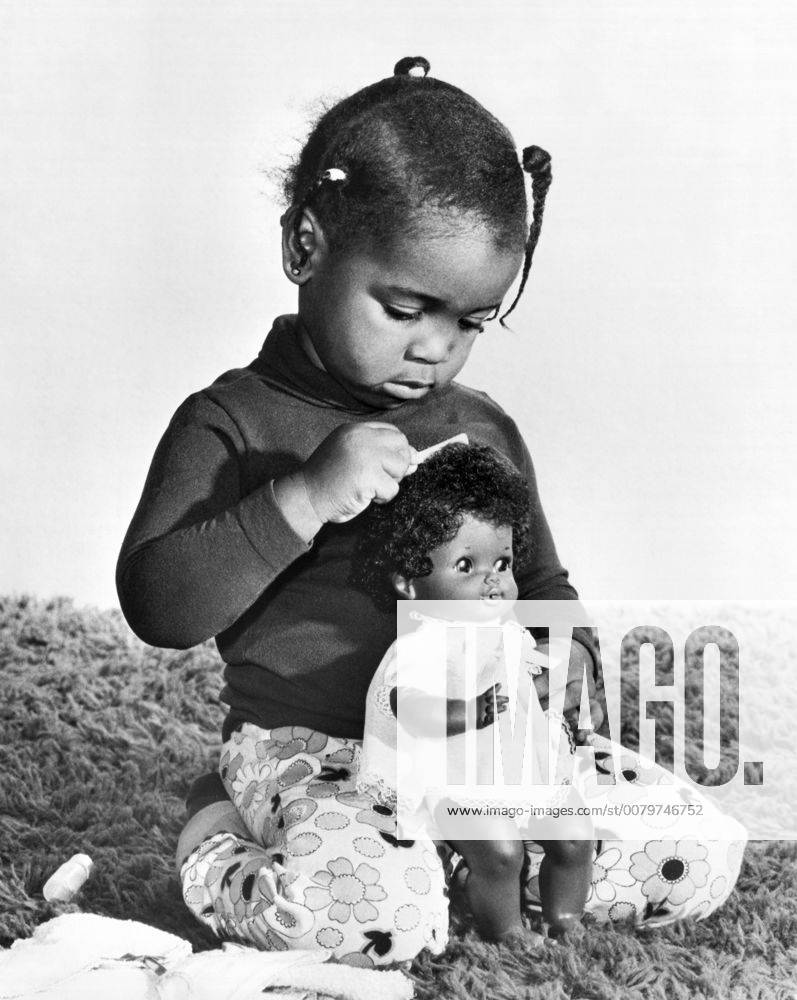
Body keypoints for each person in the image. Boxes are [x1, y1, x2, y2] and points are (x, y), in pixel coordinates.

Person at [116, 57, 744, 966]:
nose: (435, 349)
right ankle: (214, 829)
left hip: (487, 751)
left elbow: (541, 582)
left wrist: (563, 663)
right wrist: (301, 498)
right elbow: (158, 605)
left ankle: (445, 867)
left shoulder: (476, 427)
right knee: (370, 922)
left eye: (472, 321)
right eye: (405, 307)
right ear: (306, 247)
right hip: (320, 753)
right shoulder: (234, 422)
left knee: (697, 853)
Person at [354, 442, 595, 942]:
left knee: (574, 834)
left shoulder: (505, 630)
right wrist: (471, 712)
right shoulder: (422, 646)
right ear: (408, 582)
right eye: (467, 566)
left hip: (513, 764)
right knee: (502, 851)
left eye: (503, 563)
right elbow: (411, 709)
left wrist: (551, 688)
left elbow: (531, 679)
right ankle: (504, 927)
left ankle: (565, 919)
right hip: (449, 774)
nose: (494, 582)